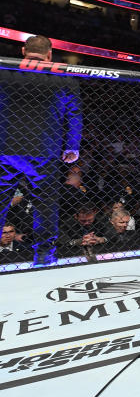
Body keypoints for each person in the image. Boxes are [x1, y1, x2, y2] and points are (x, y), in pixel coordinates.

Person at [0, 35, 82, 265]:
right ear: (49, 55)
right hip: (43, 149)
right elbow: (73, 114)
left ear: (23, 50)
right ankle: (45, 254)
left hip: (5, 146)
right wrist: (72, 146)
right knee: (45, 203)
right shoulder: (63, 78)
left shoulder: (5, 70)